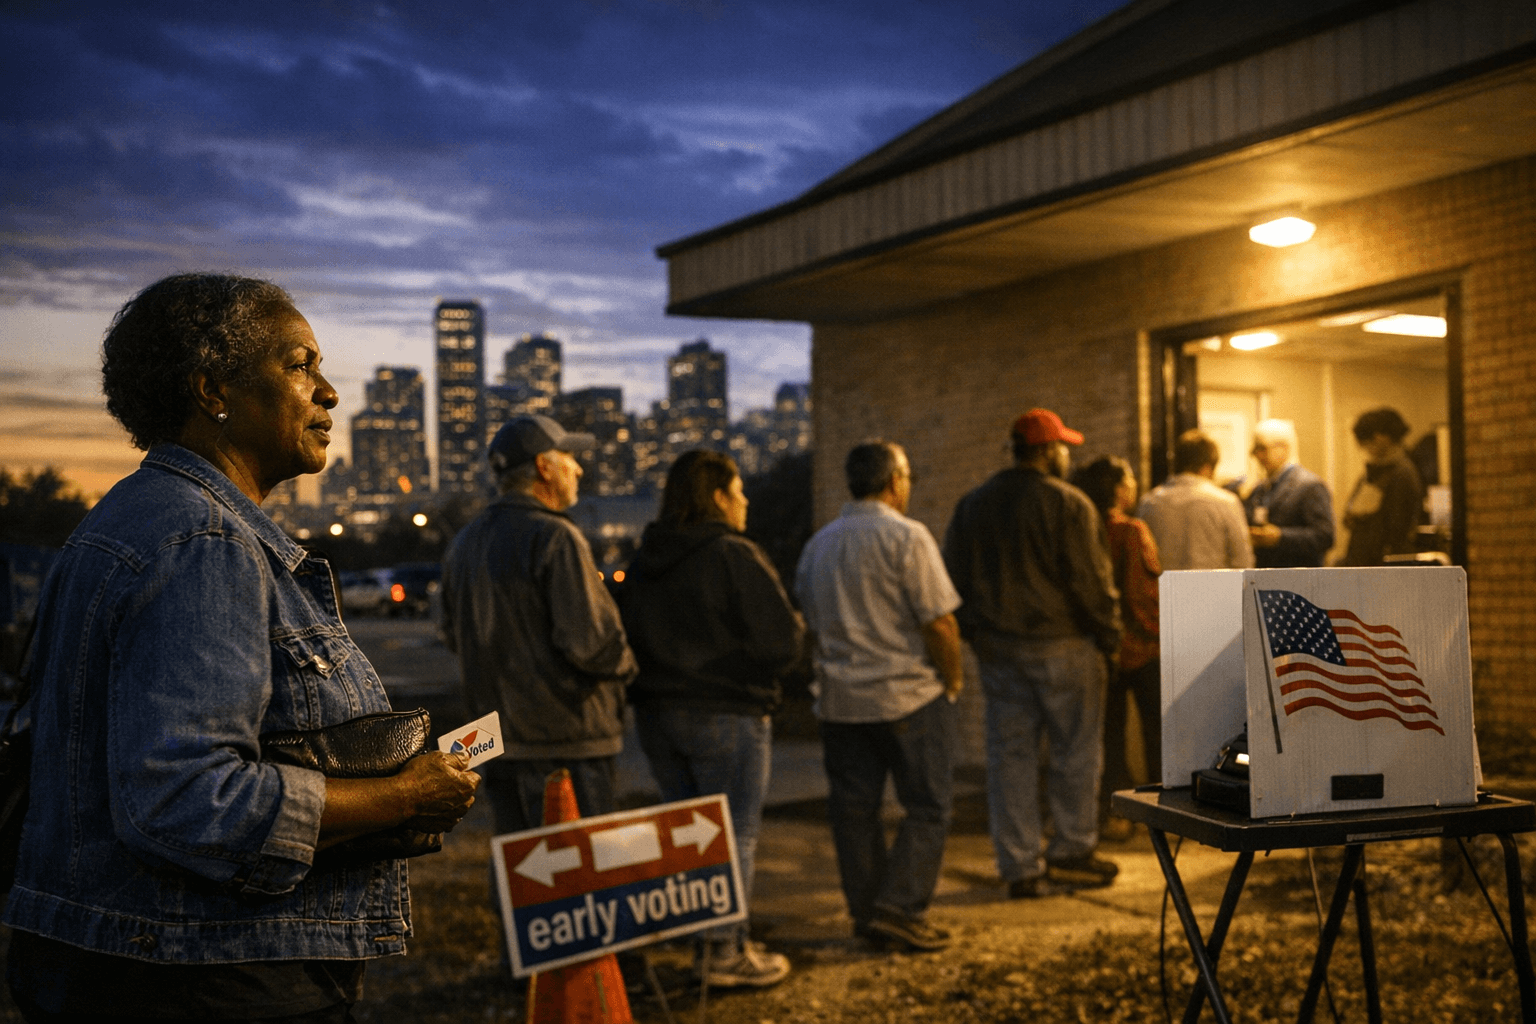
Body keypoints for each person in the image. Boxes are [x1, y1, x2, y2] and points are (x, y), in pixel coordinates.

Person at [4, 274, 481, 1022]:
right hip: (206, 973)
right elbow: (183, 798)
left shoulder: (123, 521)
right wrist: (400, 797)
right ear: (213, 389)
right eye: (299, 365)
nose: (326, 392)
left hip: (112, 958)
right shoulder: (204, 541)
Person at [618, 450, 804, 987]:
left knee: (688, 833)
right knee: (733, 834)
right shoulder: (733, 554)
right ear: (719, 497)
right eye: (739, 491)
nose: (745, 501)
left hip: (658, 717)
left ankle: (703, 937)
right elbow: (782, 642)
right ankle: (723, 951)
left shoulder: (646, 560)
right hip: (727, 712)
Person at [943, 408, 1121, 899]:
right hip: (1065, 646)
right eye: (1063, 445)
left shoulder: (971, 506)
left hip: (999, 651)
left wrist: (976, 633)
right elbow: (1091, 583)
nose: (1068, 454)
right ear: (1046, 451)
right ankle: (1071, 850)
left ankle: (1020, 866)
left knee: (1010, 758)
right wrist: (1110, 636)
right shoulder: (1069, 504)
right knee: (1076, 753)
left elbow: (951, 582)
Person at [795, 442, 964, 952]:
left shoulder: (817, 546)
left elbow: (810, 623)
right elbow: (940, 621)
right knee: (928, 807)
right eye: (908, 477)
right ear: (895, 481)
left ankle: (868, 913)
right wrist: (952, 680)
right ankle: (900, 907)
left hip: (841, 703)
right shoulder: (907, 538)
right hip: (906, 696)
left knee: (854, 813)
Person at [441, 415, 638, 834]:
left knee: (523, 876)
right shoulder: (555, 537)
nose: (579, 468)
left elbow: (451, 634)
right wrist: (627, 667)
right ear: (544, 467)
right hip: (567, 740)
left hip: (497, 741)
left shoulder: (464, 542)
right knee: (582, 877)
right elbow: (591, 644)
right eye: (569, 456)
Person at [1070, 457, 1161, 833]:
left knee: (1109, 735)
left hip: (1100, 648)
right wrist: (1157, 633)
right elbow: (1142, 595)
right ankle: (1159, 810)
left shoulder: (1082, 529)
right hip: (1140, 648)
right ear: (1119, 489)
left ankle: (1116, 816)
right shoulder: (1132, 530)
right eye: (1130, 480)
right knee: (1157, 731)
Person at [1137, 429, 1255, 571]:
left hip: (1164, 590)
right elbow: (1242, 562)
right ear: (1207, 467)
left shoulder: (1148, 502)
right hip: (1214, 590)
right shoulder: (1226, 502)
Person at [1232, 419, 1335, 567]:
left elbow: (1325, 537)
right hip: (1264, 576)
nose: (1256, 455)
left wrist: (1280, 537)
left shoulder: (1310, 486)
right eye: (1255, 450)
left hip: (1299, 580)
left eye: (1262, 448)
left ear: (1284, 448)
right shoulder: (1259, 488)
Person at [1340, 407, 1426, 566]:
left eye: (1366, 443)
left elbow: (1397, 527)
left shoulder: (1402, 473)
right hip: (1366, 561)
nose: (1366, 449)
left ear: (1380, 438)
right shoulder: (1374, 471)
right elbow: (1350, 512)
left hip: (1383, 563)